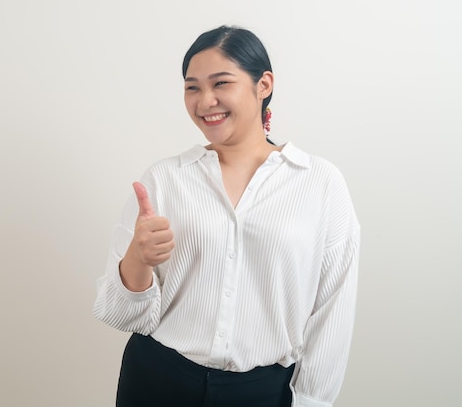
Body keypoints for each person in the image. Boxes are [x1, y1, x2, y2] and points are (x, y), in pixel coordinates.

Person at [93, 25, 360, 407]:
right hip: (156, 379)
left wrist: (311, 401)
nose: (205, 101)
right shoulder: (165, 179)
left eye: (221, 83)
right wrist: (138, 257)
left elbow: (332, 310)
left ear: (263, 84)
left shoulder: (319, 182)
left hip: (263, 393)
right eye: (192, 87)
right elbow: (120, 314)